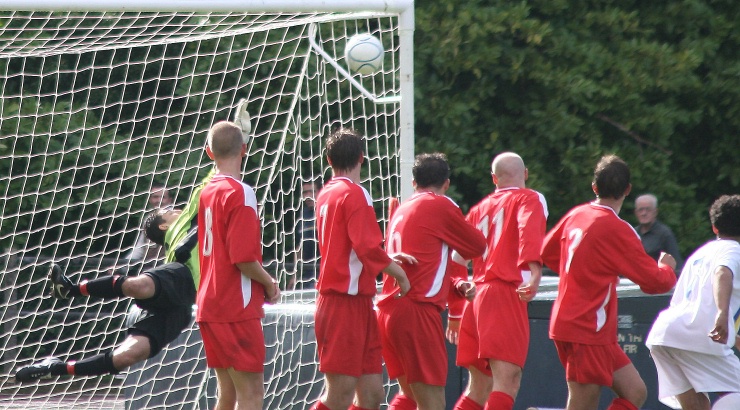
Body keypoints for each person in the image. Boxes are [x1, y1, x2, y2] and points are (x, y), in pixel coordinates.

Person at [540, 154, 678, 410]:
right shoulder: (618, 228)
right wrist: (666, 268)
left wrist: (584, 269)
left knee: (635, 392)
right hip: (587, 326)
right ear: (627, 190)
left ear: (594, 187)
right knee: (583, 403)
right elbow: (654, 282)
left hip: (578, 324)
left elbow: (546, 253)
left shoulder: (577, 214)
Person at [15, 206, 198, 382]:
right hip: (183, 275)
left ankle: (54, 368)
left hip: (185, 298)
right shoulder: (191, 219)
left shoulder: (203, 213)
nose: (177, 209)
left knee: (125, 357)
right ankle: (70, 289)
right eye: (168, 211)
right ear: (163, 226)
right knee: (140, 286)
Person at [310, 127, 411, 410]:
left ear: (329, 160)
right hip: (343, 302)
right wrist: (398, 273)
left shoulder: (326, 193)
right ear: (362, 158)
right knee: (339, 395)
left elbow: (356, 246)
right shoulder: (355, 193)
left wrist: (387, 258)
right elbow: (365, 247)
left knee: (372, 395)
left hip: (355, 302)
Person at [376, 153, 486, 410]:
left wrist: (455, 283)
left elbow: (425, 263)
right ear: (446, 184)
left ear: (413, 182)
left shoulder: (401, 208)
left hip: (387, 310)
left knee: (411, 398)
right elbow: (478, 246)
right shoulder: (441, 205)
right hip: (416, 310)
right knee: (433, 402)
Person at [448, 152, 548, 410]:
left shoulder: (480, 208)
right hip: (505, 292)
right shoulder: (530, 198)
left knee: (479, 387)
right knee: (507, 382)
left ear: (494, 178)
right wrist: (535, 271)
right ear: (525, 174)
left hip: (478, 297)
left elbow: (456, 258)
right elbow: (528, 230)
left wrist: (461, 290)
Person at [196, 120, 280, 410]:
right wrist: (269, 283)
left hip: (210, 303)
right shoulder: (240, 192)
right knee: (251, 394)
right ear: (245, 149)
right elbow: (242, 258)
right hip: (235, 305)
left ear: (209, 152)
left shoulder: (207, 191)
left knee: (227, 394)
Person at [646, 194, 740, 410]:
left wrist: (729, 328)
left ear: (715, 228)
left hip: (664, 334)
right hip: (697, 337)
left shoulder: (700, 254)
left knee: (696, 406)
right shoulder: (734, 251)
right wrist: (721, 314)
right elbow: (722, 273)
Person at [127, 184, 174, 266]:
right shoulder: (148, 219)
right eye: (155, 197)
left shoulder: (175, 218)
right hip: (148, 267)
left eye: (163, 197)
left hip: (168, 267)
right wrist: (123, 265)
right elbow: (140, 248)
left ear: (170, 200)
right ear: (150, 199)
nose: (159, 200)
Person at [634, 193, 684, 270]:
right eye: (641, 210)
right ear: (636, 213)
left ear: (655, 212)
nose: (644, 213)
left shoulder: (664, 234)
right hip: (632, 280)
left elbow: (676, 265)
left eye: (648, 209)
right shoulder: (632, 233)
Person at [288, 180, 321, 290]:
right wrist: (294, 275)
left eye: (312, 192)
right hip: (306, 274)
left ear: (320, 192)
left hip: (323, 271)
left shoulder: (325, 211)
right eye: (305, 193)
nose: (308, 196)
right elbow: (299, 248)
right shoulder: (303, 214)